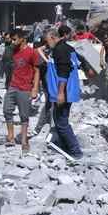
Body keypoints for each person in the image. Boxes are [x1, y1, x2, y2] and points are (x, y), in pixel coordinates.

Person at [45, 25, 83, 161]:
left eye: (47, 40)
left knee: (61, 122)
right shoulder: (68, 48)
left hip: (64, 93)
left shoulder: (60, 49)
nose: (46, 43)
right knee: (59, 120)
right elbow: (80, 63)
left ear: (52, 37)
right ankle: (65, 147)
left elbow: (63, 72)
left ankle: (75, 151)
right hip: (66, 91)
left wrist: (61, 93)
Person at [3, 29, 40, 152]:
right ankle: (11, 137)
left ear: (22, 39)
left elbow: (37, 71)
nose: (12, 42)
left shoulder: (32, 52)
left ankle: (24, 141)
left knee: (24, 115)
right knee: (7, 110)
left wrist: (35, 88)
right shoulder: (12, 51)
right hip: (12, 86)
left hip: (25, 88)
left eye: (14, 39)